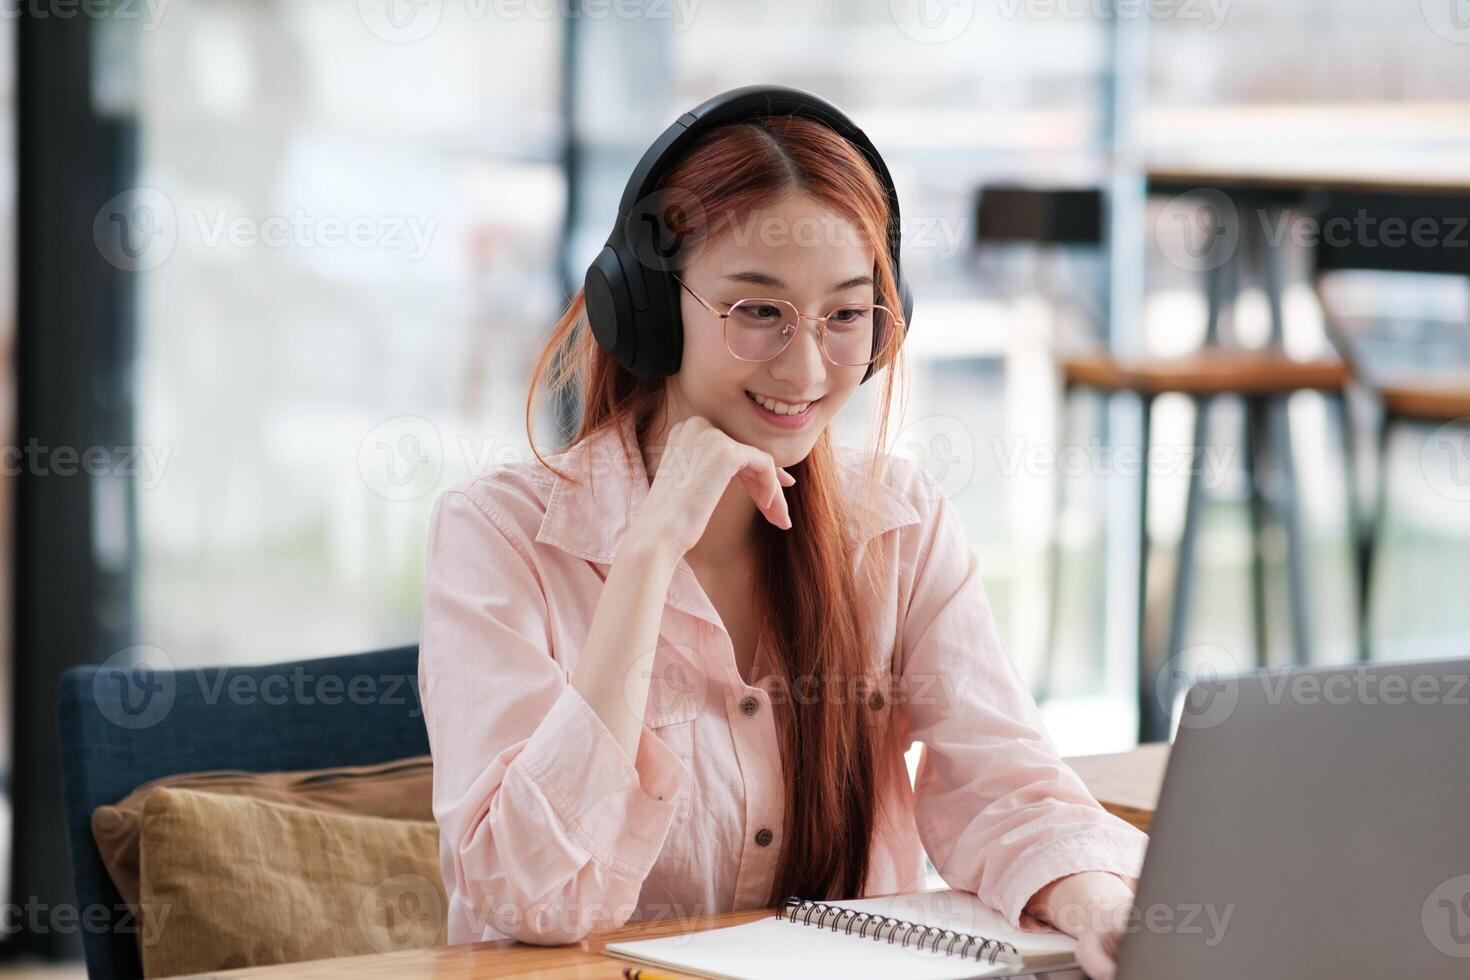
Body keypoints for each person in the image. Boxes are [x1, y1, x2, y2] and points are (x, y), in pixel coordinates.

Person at [419, 89, 1147, 980]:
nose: (805, 370)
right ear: (646, 306)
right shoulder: (497, 537)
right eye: (757, 312)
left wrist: (1103, 906)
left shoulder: (900, 531)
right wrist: (646, 557)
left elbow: (1004, 786)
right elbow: (531, 901)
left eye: (845, 317)